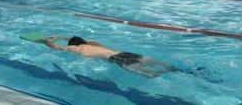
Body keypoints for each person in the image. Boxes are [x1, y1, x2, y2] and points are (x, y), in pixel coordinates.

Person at [45, 36, 177, 78]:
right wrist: (62, 36)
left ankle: (163, 73)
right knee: (157, 62)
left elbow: (55, 47)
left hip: (117, 59)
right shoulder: (93, 43)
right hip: (125, 53)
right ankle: (173, 69)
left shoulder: (76, 48)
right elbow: (80, 38)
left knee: (150, 75)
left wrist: (46, 40)